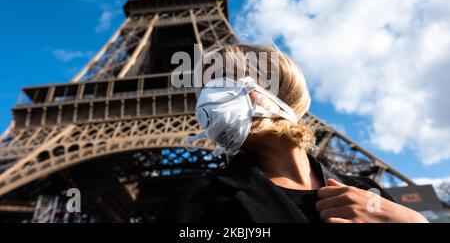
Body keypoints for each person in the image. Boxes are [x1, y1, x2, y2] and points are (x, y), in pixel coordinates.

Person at [157, 43, 428, 223]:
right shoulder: (198, 202)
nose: (212, 98)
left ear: (279, 85)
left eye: (224, 78)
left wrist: (414, 222)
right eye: (205, 90)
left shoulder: (365, 191)